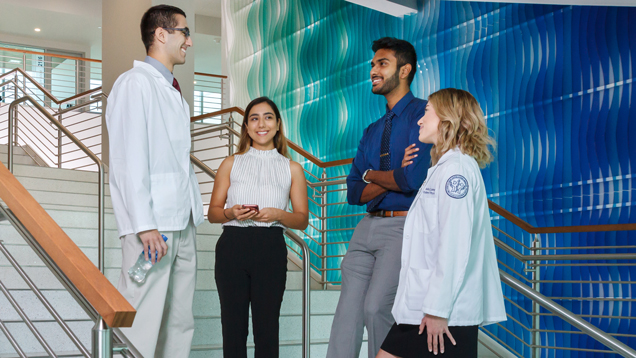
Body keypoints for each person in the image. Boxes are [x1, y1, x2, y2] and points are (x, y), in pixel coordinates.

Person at [377, 88, 507, 358]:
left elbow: (453, 244)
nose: (420, 120)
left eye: (426, 112)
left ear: (448, 119)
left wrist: (437, 309)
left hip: (441, 315)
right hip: (427, 310)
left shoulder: (455, 171)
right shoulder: (444, 169)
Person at [105, 5, 204, 357]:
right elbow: (128, 161)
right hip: (153, 226)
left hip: (182, 222)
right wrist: (144, 225)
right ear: (161, 34)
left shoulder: (173, 92)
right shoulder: (134, 84)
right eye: (184, 32)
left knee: (180, 321)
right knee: (142, 319)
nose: (189, 41)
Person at [327, 37, 432, 358]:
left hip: (401, 228)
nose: (373, 69)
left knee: (376, 309)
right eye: (373, 64)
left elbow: (411, 179)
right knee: (347, 315)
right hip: (366, 227)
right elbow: (355, 192)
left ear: (405, 70)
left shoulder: (424, 116)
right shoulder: (372, 130)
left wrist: (373, 175)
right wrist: (386, 178)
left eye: (381, 63)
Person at [207, 96, 309, 358]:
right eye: (254, 118)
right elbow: (213, 213)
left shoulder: (292, 168)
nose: (261, 123)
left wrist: (279, 214)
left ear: (277, 125)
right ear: (246, 127)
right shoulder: (231, 163)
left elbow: (302, 219)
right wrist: (230, 212)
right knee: (233, 329)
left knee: (267, 331)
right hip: (232, 248)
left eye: (268, 117)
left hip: (271, 249)